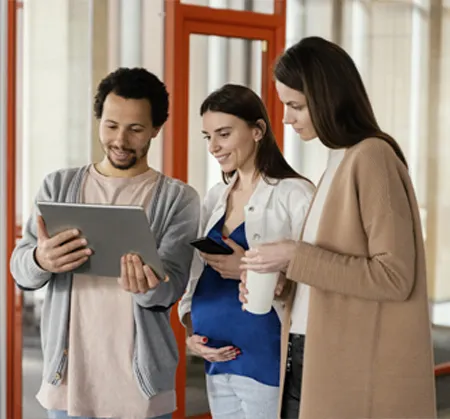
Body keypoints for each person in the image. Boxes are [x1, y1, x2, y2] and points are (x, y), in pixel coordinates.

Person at [239, 36, 437, 419]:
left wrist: (296, 256)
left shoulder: (372, 157)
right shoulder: (338, 162)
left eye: (295, 106)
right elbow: (334, 272)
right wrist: (286, 283)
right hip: (308, 353)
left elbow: (394, 276)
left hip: (345, 365)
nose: (285, 118)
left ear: (327, 98)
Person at [10, 68, 200, 419]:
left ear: (156, 129)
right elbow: (20, 268)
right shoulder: (58, 186)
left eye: (136, 129)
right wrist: (40, 260)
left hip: (140, 388)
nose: (120, 140)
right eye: (111, 125)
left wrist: (148, 286)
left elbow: (171, 287)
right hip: (68, 383)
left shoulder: (178, 199)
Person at [178, 84, 314, 419]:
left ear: (258, 130)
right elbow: (198, 275)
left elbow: (317, 274)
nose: (213, 147)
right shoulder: (215, 196)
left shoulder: (295, 194)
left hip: (263, 355)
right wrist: (190, 332)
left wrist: (249, 267)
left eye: (223, 134)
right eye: (207, 136)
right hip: (216, 355)